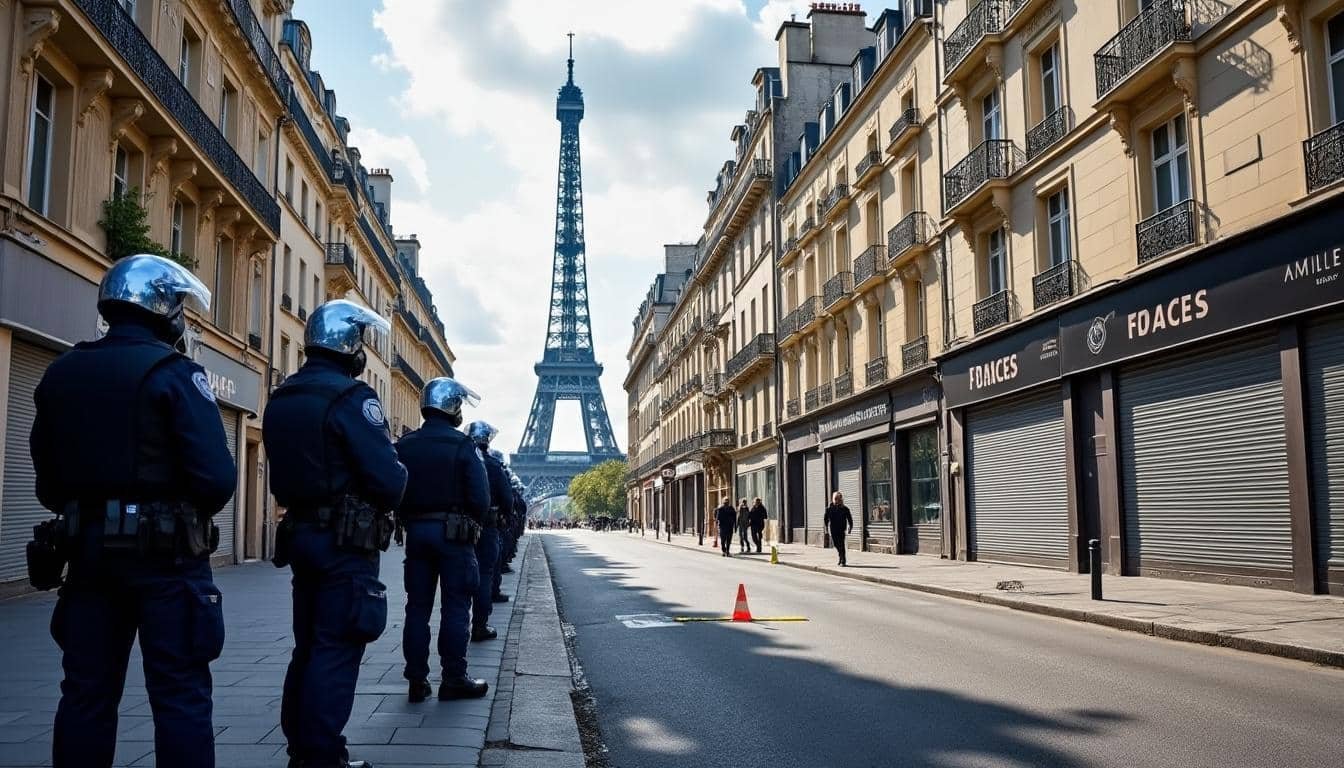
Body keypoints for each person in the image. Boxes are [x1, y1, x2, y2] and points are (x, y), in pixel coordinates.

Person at [29, 255, 235, 768]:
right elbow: (216, 478)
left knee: (85, 694)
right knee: (180, 695)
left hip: (89, 557)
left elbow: (48, 481)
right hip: (166, 561)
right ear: (164, 308)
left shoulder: (61, 372)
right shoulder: (175, 373)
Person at [264, 299, 407, 768]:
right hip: (345, 543)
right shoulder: (352, 397)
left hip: (300, 534)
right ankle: (323, 755)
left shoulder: (282, 396)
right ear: (351, 345)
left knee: (306, 644)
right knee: (337, 645)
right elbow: (389, 481)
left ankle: (300, 747)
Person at [396, 379, 492, 704]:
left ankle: (416, 681)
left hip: (417, 534)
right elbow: (480, 498)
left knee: (417, 608)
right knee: (455, 607)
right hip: (454, 535)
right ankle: (453, 678)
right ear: (453, 407)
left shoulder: (405, 445)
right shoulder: (464, 446)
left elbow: (392, 486)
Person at [465, 422, 508, 641]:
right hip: (488, 526)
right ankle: (480, 626)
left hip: (459, 528)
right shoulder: (493, 465)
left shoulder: (462, 456)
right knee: (485, 575)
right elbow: (508, 501)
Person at [823, 491, 854, 566]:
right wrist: (826, 529)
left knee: (841, 544)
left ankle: (843, 560)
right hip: (833, 530)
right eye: (836, 499)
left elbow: (850, 519)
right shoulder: (829, 509)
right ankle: (840, 557)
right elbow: (825, 520)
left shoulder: (845, 509)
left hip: (841, 529)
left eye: (839, 499)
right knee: (836, 544)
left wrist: (850, 527)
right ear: (833, 499)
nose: (837, 500)